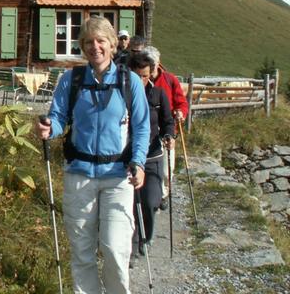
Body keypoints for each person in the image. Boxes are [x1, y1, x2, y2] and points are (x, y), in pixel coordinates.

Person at [35, 16, 150, 294]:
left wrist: (139, 163)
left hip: (118, 177)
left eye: (100, 41)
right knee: (82, 250)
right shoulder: (71, 79)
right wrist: (50, 128)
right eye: (88, 42)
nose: (94, 47)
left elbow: (142, 126)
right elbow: (60, 117)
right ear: (82, 46)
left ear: (112, 45)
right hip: (79, 175)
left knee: (114, 248)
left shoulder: (130, 81)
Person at [128, 51, 175, 256]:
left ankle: (146, 237)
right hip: (128, 158)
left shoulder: (158, 95)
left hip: (153, 156)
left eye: (145, 75)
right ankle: (132, 245)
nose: (141, 79)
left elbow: (168, 121)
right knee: (130, 204)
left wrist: (169, 135)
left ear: (151, 74)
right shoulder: (122, 95)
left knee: (150, 201)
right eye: (137, 75)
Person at [143, 46, 189, 210]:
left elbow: (182, 103)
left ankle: (163, 195)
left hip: (167, 131)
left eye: (154, 65)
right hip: (145, 131)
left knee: (166, 170)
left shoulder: (170, 80)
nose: (151, 69)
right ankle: (149, 196)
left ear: (158, 63)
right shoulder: (139, 80)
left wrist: (180, 113)